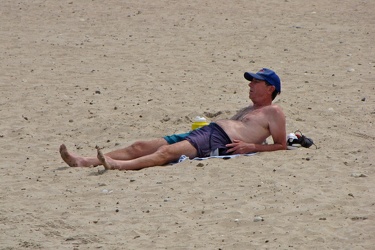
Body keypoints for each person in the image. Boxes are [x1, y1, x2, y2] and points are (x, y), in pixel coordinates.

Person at [60, 68, 286, 171]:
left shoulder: (274, 112)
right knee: (140, 146)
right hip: (206, 132)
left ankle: (117, 165)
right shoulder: (249, 108)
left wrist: (252, 147)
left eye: (256, 82)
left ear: (270, 88)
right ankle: (84, 161)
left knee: (164, 154)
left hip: (217, 140)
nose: (250, 85)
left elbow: (281, 145)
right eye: (251, 81)